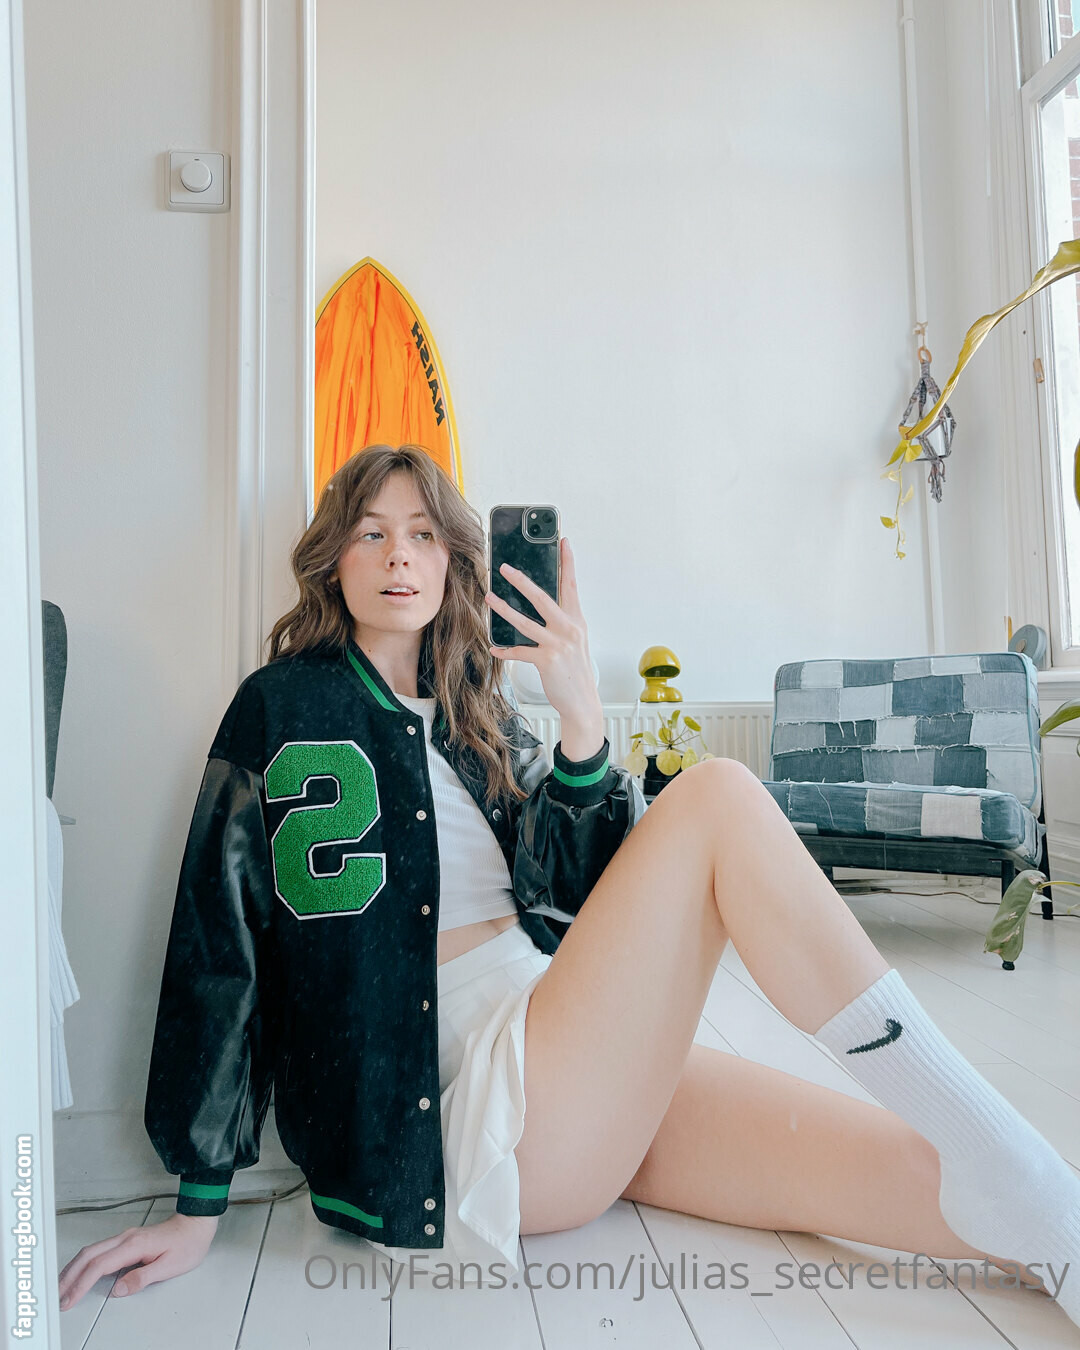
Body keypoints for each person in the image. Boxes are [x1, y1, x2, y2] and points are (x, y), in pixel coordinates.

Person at [59, 445, 1079, 1329]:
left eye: (422, 534)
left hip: (567, 1052)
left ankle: (1052, 1226)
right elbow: (220, 942)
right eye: (371, 534)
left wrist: (582, 719)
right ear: (334, 559)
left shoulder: (480, 716)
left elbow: (586, 904)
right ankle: (1009, 1155)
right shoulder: (280, 705)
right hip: (461, 1107)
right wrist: (197, 1202)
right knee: (717, 795)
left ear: (456, 562)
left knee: (942, 1184)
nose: (399, 555)